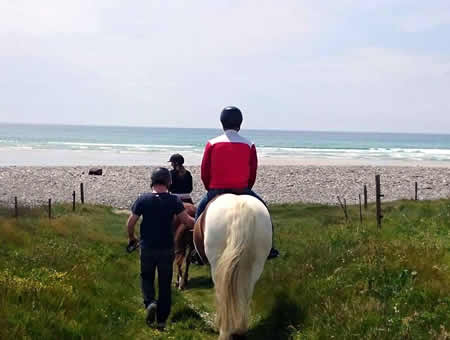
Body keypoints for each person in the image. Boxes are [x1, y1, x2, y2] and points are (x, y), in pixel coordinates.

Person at [195, 106, 280, 259]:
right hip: (242, 189)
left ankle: (197, 250)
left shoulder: (212, 143)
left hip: (216, 190)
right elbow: (252, 171)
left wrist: (210, 188)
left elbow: (204, 172)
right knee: (265, 213)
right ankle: (270, 247)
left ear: (222, 123)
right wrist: (246, 187)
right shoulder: (249, 144)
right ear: (240, 123)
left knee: (199, 214)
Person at [127, 167, 195, 329]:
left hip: (147, 248)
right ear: (168, 182)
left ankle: (150, 302)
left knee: (146, 277)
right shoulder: (174, 201)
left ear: (152, 181)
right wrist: (202, 224)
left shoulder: (142, 199)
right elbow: (187, 221)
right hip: (166, 249)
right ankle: (162, 321)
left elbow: (130, 223)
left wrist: (132, 238)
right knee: (165, 284)